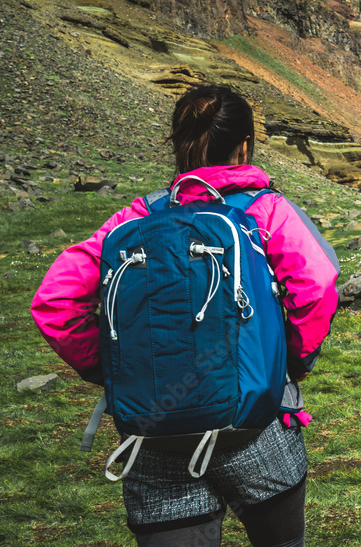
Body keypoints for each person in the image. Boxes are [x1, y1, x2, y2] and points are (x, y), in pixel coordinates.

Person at [31, 85, 340, 547]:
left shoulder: (136, 218)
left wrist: (118, 370)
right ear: (245, 146)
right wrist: (287, 365)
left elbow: (55, 301)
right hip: (256, 428)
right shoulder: (267, 210)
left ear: (178, 146)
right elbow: (316, 285)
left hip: (153, 440)